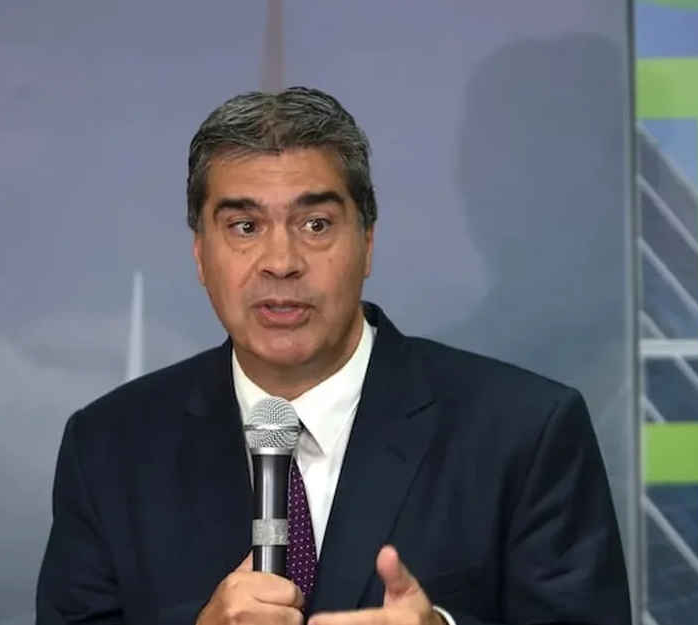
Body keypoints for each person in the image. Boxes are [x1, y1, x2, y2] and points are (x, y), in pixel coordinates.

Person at [35, 87, 630, 625]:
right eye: (244, 227)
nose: (280, 261)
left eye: (316, 224)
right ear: (200, 255)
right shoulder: (109, 449)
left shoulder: (524, 431)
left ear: (367, 243)